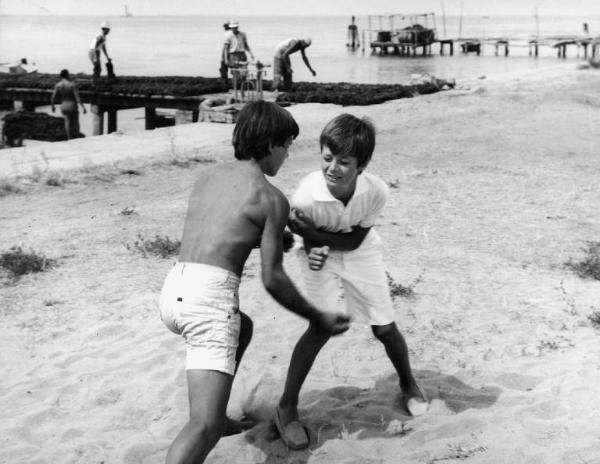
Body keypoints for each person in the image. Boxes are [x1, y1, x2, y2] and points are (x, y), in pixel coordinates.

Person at [158, 101, 350, 464]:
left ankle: (219, 416)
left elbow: (227, 228)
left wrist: (278, 236)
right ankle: (211, 423)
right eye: (287, 146)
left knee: (241, 328)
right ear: (271, 146)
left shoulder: (208, 177)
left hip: (174, 290)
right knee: (203, 428)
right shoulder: (270, 197)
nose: (288, 155)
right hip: (208, 302)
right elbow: (272, 278)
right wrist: (317, 315)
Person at [273, 114, 428, 450]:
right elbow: (310, 243)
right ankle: (286, 406)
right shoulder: (306, 196)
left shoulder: (376, 191)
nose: (333, 168)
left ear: (362, 165)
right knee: (321, 326)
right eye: (327, 158)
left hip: (358, 251)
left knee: (384, 327)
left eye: (344, 162)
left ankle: (408, 383)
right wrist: (311, 244)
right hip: (316, 254)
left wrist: (310, 233)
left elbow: (354, 243)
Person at [51, 69, 87, 140]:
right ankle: (76, 139)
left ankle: (69, 138)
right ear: (67, 75)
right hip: (72, 105)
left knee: (67, 122)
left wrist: (53, 106)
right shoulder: (72, 85)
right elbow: (77, 98)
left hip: (64, 105)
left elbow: (53, 97)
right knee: (75, 123)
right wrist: (83, 107)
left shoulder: (58, 85)